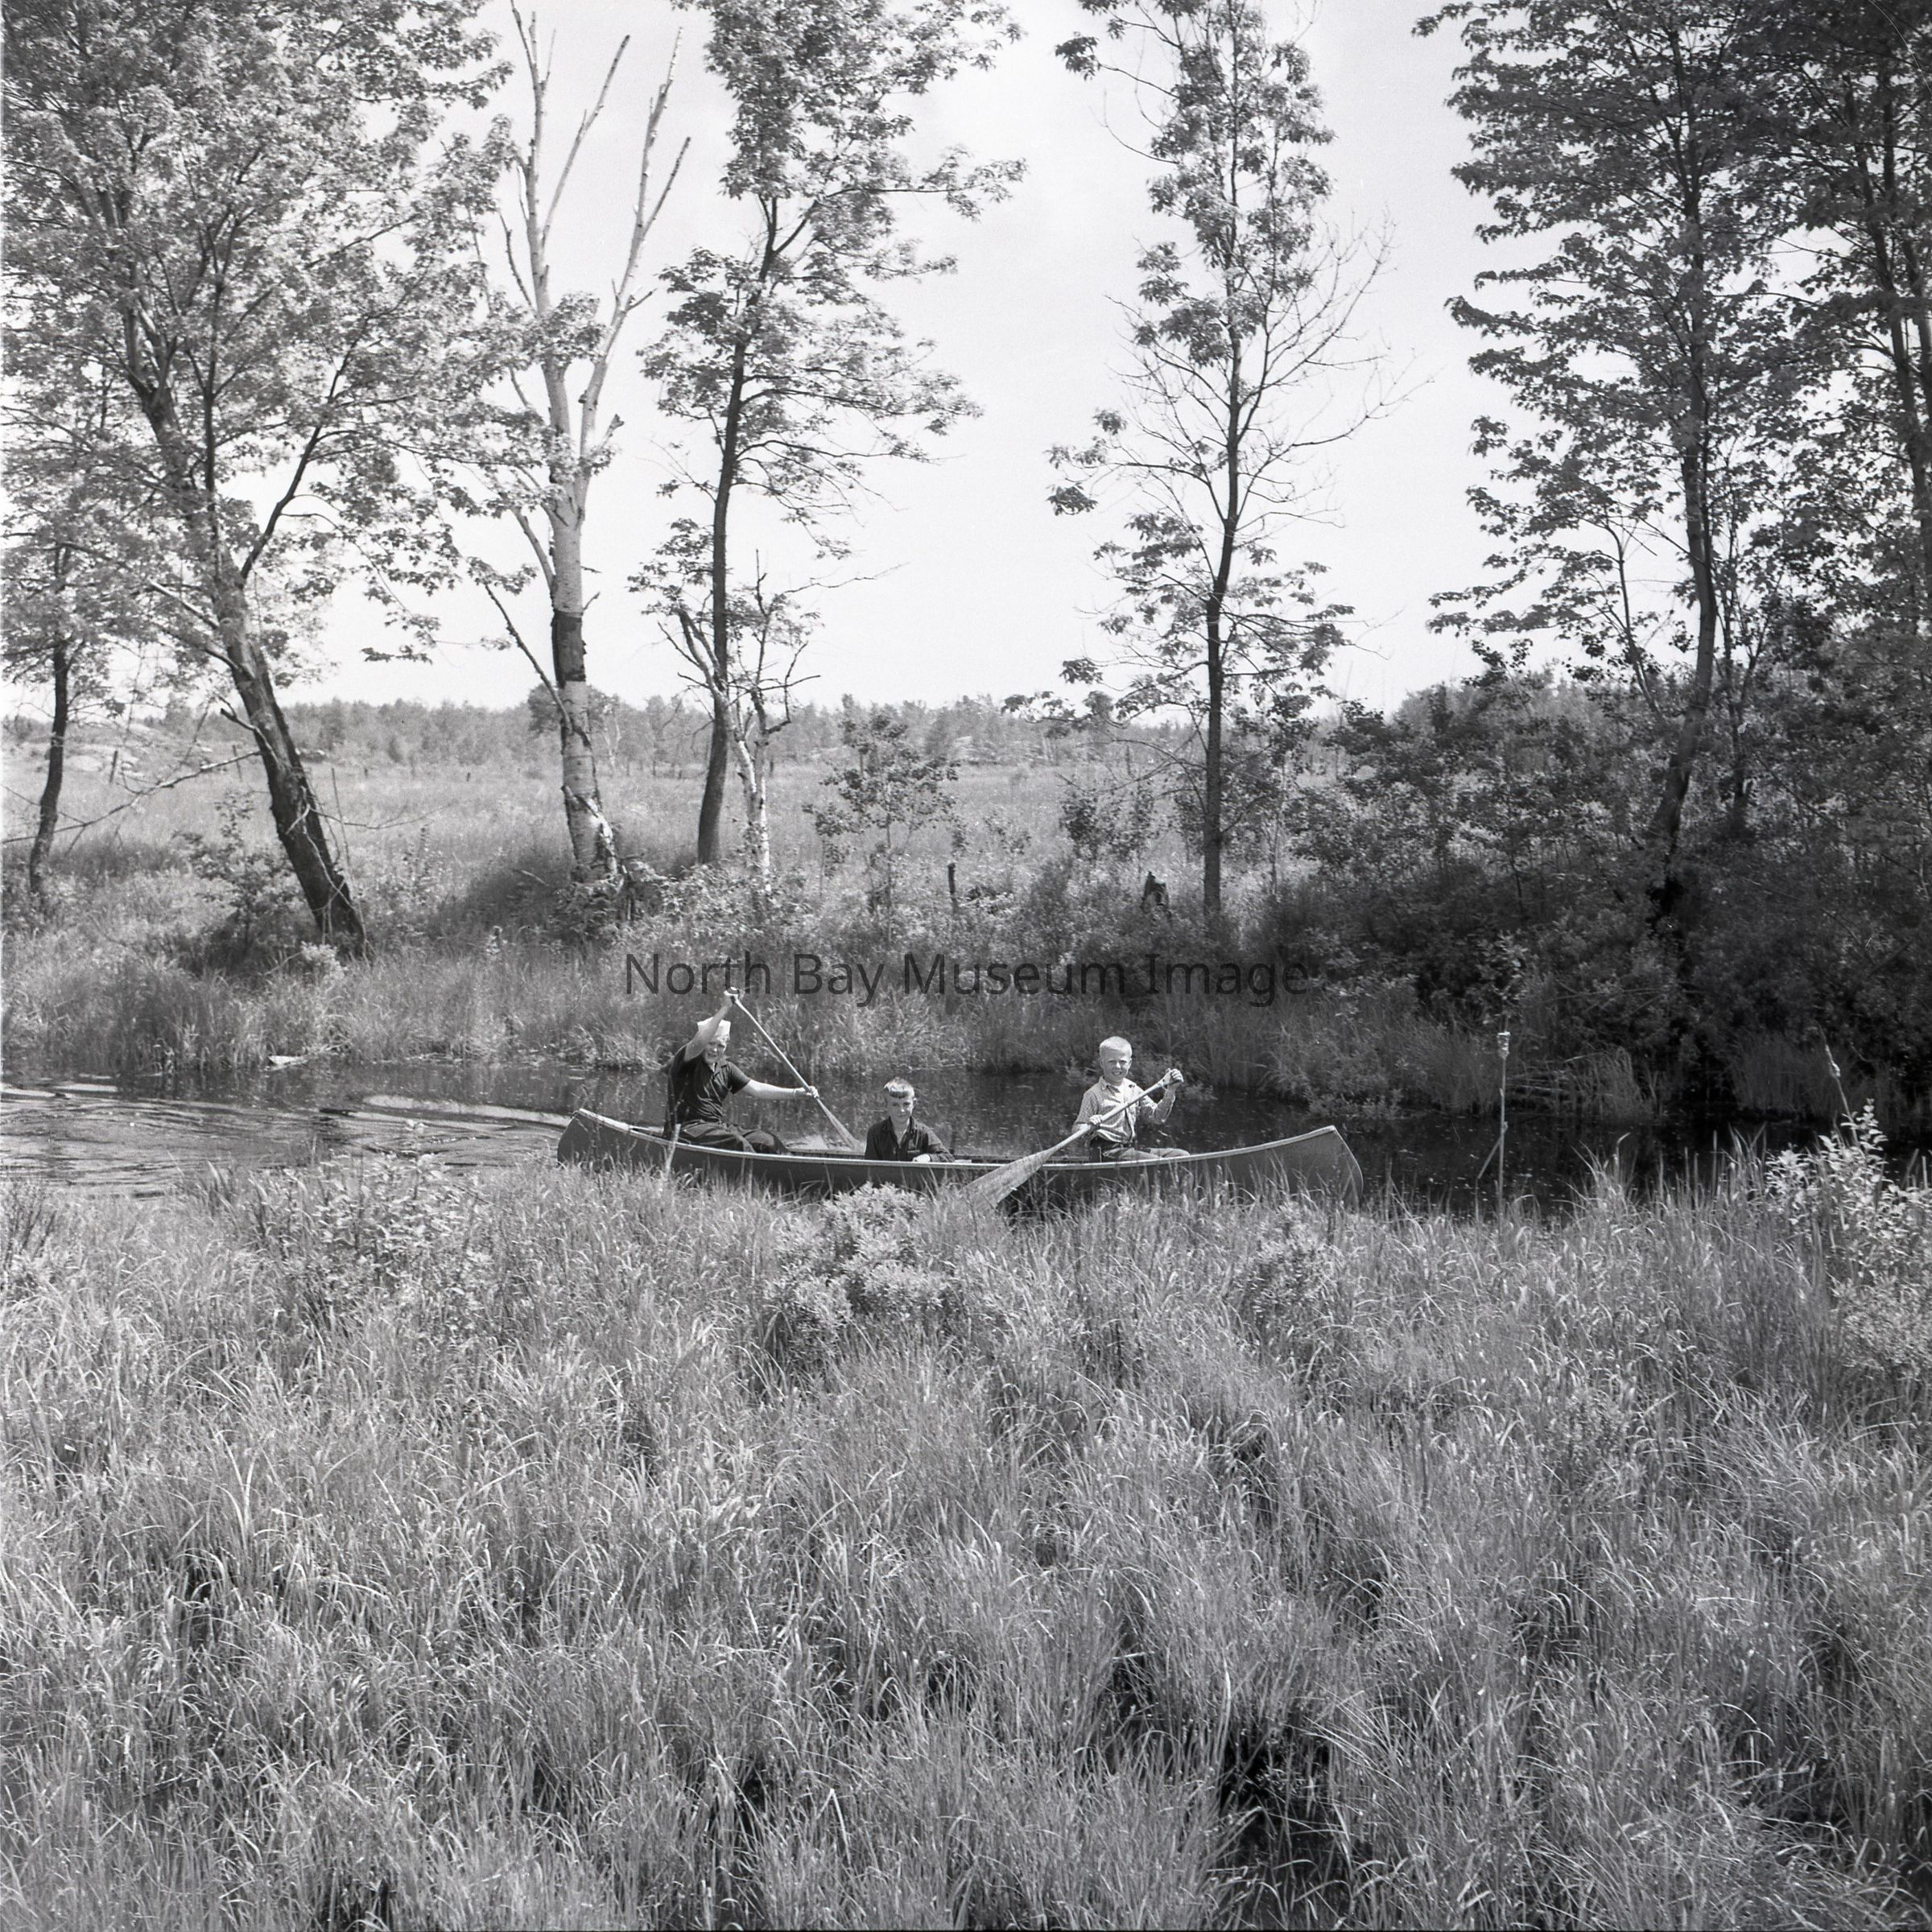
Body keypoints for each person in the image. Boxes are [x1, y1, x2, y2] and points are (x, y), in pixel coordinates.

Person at [664, 994, 818, 1153]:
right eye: (711, 1044)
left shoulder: (727, 1068)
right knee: (737, 1144)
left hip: (715, 1127)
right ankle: (755, 1168)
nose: (715, 1050)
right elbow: (699, 1042)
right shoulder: (688, 1060)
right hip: (686, 1129)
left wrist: (796, 1093)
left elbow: (758, 1089)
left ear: (726, 1045)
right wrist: (725, 1007)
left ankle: (787, 1165)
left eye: (720, 1045)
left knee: (768, 1141)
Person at [1073, 1035, 1184, 1161]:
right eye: (1111, 1062)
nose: (1117, 1066)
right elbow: (1077, 1129)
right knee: (1155, 1162)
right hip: (1106, 1152)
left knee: (1181, 1155)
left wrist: (1171, 1090)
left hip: (1129, 1150)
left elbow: (1157, 1117)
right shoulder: (1093, 1094)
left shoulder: (1133, 1089)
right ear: (1102, 1063)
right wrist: (1089, 1125)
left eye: (1122, 1062)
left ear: (1129, 1063)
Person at [864, 1077, 952, 1163]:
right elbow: (869, 1167)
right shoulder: (875, 1133)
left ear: (914, 1104)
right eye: (895, 1105)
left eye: (906, 1104)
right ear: (886, 1105)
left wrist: (928, 1157)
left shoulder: (923, 1133)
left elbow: (947, 1157)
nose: (901, 1110)